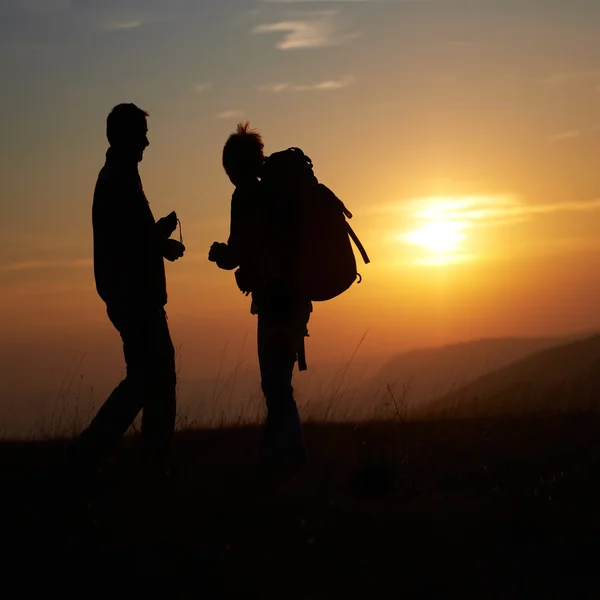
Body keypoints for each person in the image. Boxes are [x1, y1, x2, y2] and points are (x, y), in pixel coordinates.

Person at [68, 103, 185, 486]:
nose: (148, 142)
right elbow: (131, 244)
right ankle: (119, 458)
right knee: (150, 380)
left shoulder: (118, 176)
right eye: (142, 135)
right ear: (127, 137)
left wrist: (159, 240)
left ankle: (132, 460)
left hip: (130, 297)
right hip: (136, 300)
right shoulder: (119, 178)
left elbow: (131, 240)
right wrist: (161, 239)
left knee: (148, 379)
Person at [208, 123, 311, 471]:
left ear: (236, 166)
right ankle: (271, 462)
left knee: (276, 386)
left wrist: (219, 254)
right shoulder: (278, 192)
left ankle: (294, 459)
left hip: (274, 301)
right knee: (278, 383)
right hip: (297, 297)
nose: (228, 175)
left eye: (228, 168)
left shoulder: (246, 196)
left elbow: (236, 252)